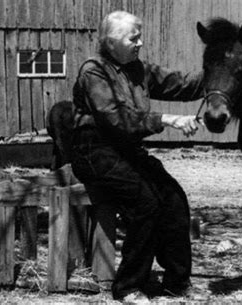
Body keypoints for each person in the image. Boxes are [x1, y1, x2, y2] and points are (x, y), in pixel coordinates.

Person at [71, 10, 204, 302]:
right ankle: (128, 286)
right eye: (134, 38)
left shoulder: (137, 69)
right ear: (111, 43)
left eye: (139, 37)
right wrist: (167, 120)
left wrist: (218, 71)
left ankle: (176, 283)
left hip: (126, 150)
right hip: (95, 151)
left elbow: (180, 84)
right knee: (146, 202)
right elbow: (115, 118)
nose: (140, 43)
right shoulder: (94, 71)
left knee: (174, 198)